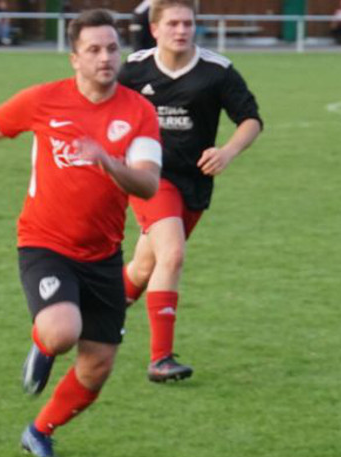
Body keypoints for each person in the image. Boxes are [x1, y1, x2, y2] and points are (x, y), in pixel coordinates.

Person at [0, 9, 162, 457]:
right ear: (74, 58)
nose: (105, 58)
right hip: (45, 243)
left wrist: (107, 162)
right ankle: (43, 343)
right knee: (61, 332)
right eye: (93, 50)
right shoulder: (44, 101)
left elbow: (148, 183)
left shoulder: (139, 112)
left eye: (112, 48)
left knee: (98, 365)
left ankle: (39, 430)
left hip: (104, 254)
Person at [118, 0, 262, 383]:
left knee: (146, 266)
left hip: (195, 180)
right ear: (155, 29)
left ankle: (100, 316)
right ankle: (160, 359)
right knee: (173, 254)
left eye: (187, 23)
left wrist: (228, 151)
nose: (181, 30)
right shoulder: (134, 69)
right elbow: (103, 106)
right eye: (172, 24)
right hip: (150, 177)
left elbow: (251, 119)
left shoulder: (217, 71)